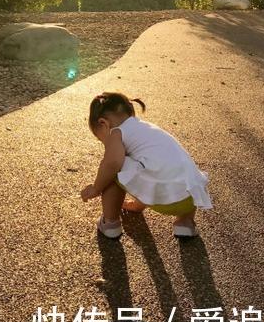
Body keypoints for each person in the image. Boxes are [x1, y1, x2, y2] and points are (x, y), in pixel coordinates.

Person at [80, 91, 213, 239]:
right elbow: (154, 169)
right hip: (189, 198)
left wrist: (96, 188)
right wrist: (138, 205)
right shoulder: (148, 129)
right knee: (181, 169)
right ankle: (185, 223)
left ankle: (110, 223)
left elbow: (113, 162)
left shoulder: (116, 132)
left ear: (103, 123)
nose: (105, 143)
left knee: (112, 166)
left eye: (100, 139)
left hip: (163, 198)